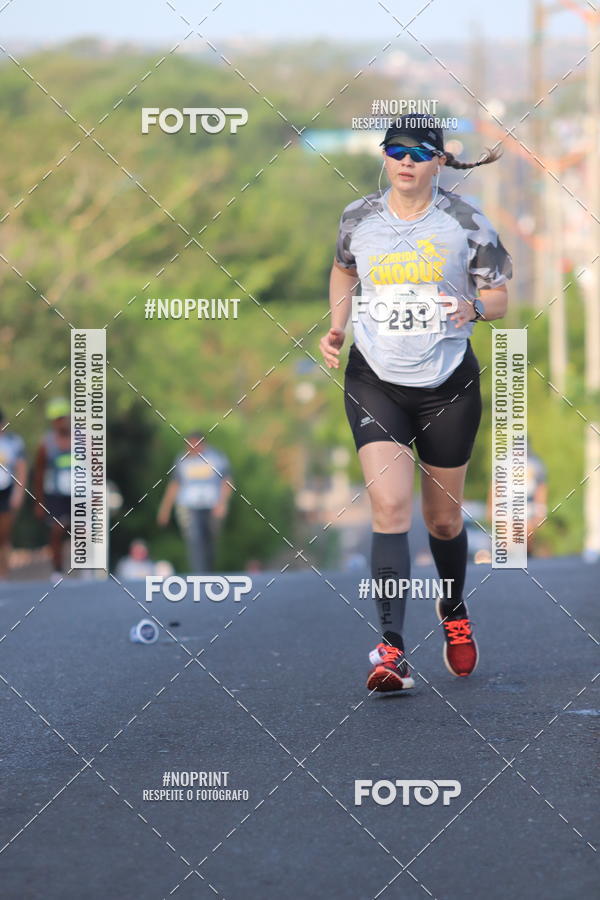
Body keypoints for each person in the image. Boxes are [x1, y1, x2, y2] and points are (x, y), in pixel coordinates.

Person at [320, 115, 513, 692]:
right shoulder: (359, 218)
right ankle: (391, 649)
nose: (405, 161)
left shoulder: (466, 221)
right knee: (389, 510)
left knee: (444, 519)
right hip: (375, 378)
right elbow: (342, 269)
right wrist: (337, 326)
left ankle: (453, 609)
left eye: (418, 152)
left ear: (437, 161)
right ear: (384, 157)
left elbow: (499, 296)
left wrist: (474, 310)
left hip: (448, 382)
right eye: (396, 150)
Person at [157, 432, 233, 573]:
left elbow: (226, 481)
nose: (191, 449)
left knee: (210, 541)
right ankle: (199, 574)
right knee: (194, 540)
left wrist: (222, 503)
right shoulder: (182, 460)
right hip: (188, 506)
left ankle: (209, 572)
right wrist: (165, 509)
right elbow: (174, 485)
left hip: (212, 505)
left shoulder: (216, 458)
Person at [33, 399, 72, 583]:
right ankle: (57, 568)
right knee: (57, 529)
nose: (60, 422)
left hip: (78, 492)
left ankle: (84, 567)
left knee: (77, 528)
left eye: (62, 418)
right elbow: (39, 473)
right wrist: (39, 501)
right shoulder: (46, 443)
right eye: (56, 419)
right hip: (55, 493)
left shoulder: (82, 439)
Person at [0, 410, 27, 579]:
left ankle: (4, 572)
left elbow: (21, 468)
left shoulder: (13, 442)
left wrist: (19, 493)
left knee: (4, 533)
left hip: (5, 490)